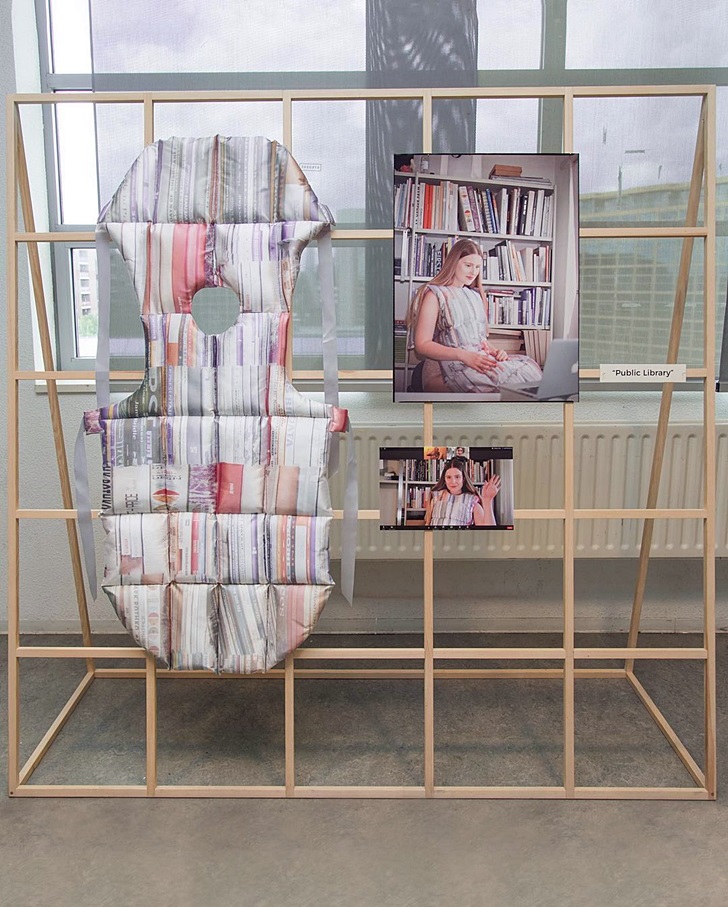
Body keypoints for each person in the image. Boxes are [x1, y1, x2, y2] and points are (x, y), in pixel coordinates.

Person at [407, 239, 542, 394]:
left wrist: (496, 351)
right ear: (453, 263)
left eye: (477, 267)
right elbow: (422, 344)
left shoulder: (475, 296)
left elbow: (479, 340)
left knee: (530, 373)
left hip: (477, 360)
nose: (473, 272)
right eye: (468, 265)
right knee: (505, 388)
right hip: (453, 366)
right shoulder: (434, 295)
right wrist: (464, 356)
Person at [425, 459, 501, 527]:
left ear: (463, 479)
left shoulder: (472, 501)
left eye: (457, 477)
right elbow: (427, 524)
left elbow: (488, 531)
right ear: (444, 479)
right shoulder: (436, 497)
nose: (453, 481)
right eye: (449, 477)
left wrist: (487, 500)